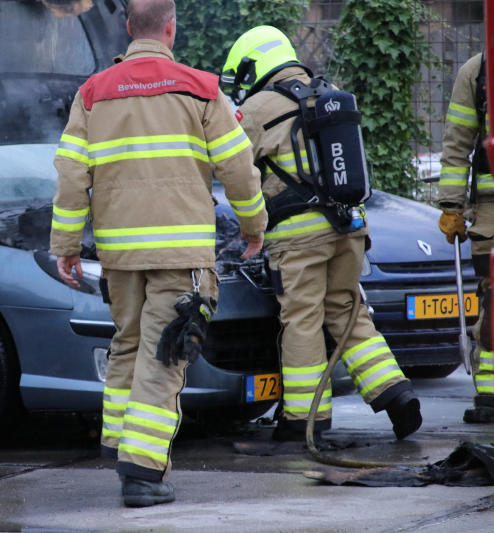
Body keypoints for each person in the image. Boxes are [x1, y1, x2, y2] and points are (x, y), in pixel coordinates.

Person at [50, 0, 267, 507]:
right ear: (171, 28)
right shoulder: (201, 88)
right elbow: (238, 168)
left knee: (128, 346)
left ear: (129, 29)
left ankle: (120, 445)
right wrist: (255, 225)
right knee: (167, 355)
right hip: (180, 255)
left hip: (120, 258)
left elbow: (70, 176)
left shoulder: (92, 93)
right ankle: (143, 473)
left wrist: (65, 245)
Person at [222, 26, 422, 442]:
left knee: (302, 321)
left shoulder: (257, 108)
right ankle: (395, 393)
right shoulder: (329, 93)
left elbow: (230, 168)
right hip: (349, 226)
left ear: (253, 66)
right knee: (348, 312)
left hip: (298, 237)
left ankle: (304, 419)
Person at [437, 52, 494, 423]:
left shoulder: (478, 70)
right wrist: (452, 206)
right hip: (491, 211)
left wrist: (453, 206)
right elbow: (458, 143)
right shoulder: (477, 72)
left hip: (490, 215)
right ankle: (490, 392)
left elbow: (457, 145)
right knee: (492, 301)